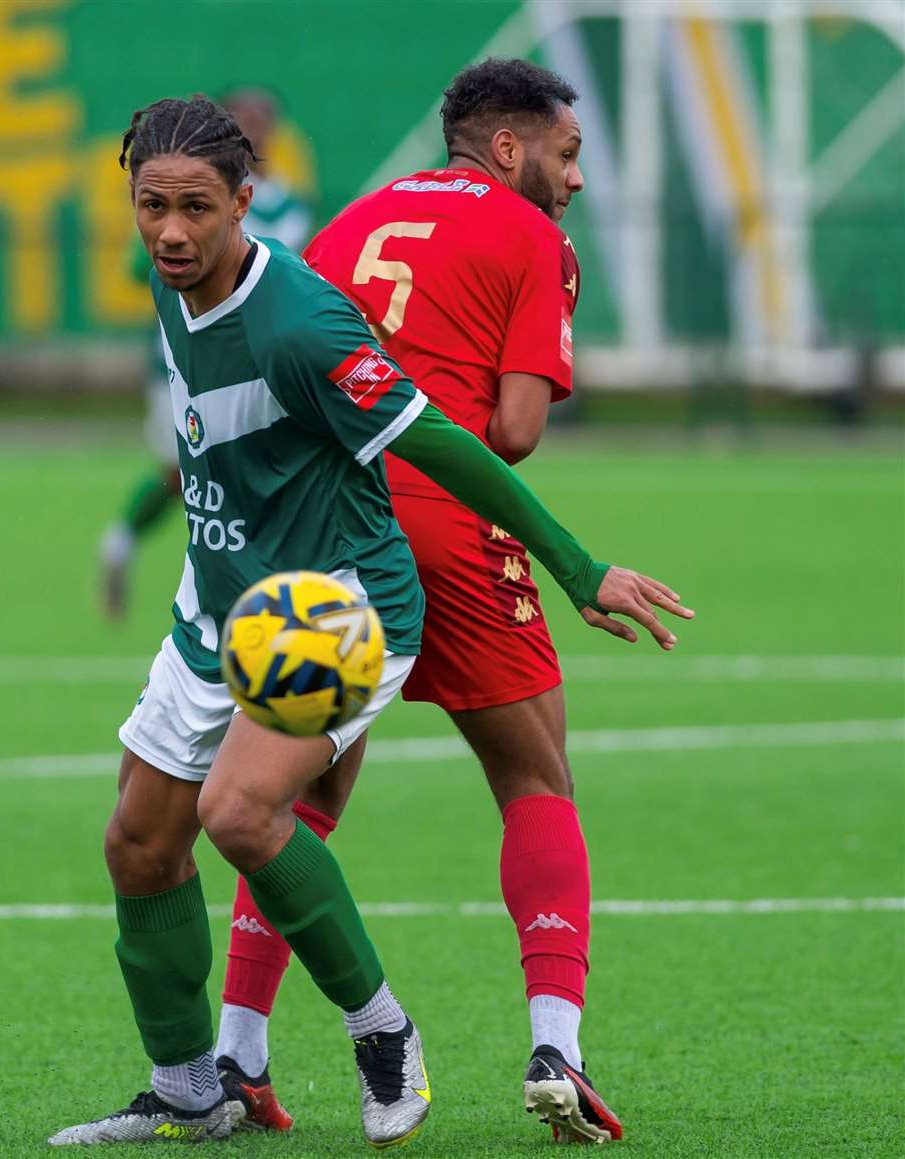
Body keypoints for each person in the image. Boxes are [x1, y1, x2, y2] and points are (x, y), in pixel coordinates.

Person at [48, 94, 689, 1149]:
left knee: (242, 814)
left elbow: (447, 443)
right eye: (150, 205)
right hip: (222, 603)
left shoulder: (300, 322)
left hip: (339, 605)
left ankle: (381, 1029)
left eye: (196, 207)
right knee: (137, 843)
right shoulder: (171, 290)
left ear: (245, 201)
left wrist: (580, 566)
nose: (170, 229)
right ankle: (191, 1092)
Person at [98, 88, 313, 620]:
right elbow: (138, 266)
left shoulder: (287, 203)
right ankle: (123, 542)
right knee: (182, 473)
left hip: (259, 360)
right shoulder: (177, 198)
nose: (256, 129)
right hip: (186, 356)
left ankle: (255, 598)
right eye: (245, 119)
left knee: (249, 471)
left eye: (264, 120)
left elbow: (292, 275)